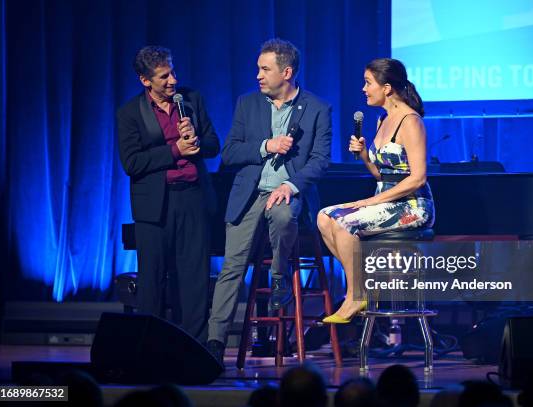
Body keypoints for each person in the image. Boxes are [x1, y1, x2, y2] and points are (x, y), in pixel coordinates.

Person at [206, 38, 332, 365]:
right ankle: (215, 342)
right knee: (231, 267)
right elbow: (230, 152)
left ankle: (279, 275)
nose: (258, 75)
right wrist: (266, 146)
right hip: (249, 194)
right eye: (258, 68)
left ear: (286, 72)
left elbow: (319, 161)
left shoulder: (317, 108)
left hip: (288, 192)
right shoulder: (247, 104)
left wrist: (291, 185)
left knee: (282, 217)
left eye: (265, 69)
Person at [317, 58, 435, 323]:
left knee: (345, 222)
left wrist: (372, 201)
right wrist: (364, 158)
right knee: (325, 217)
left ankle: (357, 294)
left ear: (388, 88)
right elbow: (383, 174)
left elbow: (417, 178)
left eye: (368, 82)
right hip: (384, 200)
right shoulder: (383, 119)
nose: (363, 89)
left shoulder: (410, 121)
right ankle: (365, 285)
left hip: (412, 206)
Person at [117, 46, 220, 343]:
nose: (172, 80)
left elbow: (214, 144)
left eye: (173, 72)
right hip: (155, 206)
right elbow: (132, 163)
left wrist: (197, 139)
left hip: (192, 198)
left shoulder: (191, 100)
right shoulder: (130, 113)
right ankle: (151, 349)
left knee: (195, 280)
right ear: (145, 80)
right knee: (152, 281)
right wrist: (175, 150)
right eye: (164, 76)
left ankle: (194, 348)